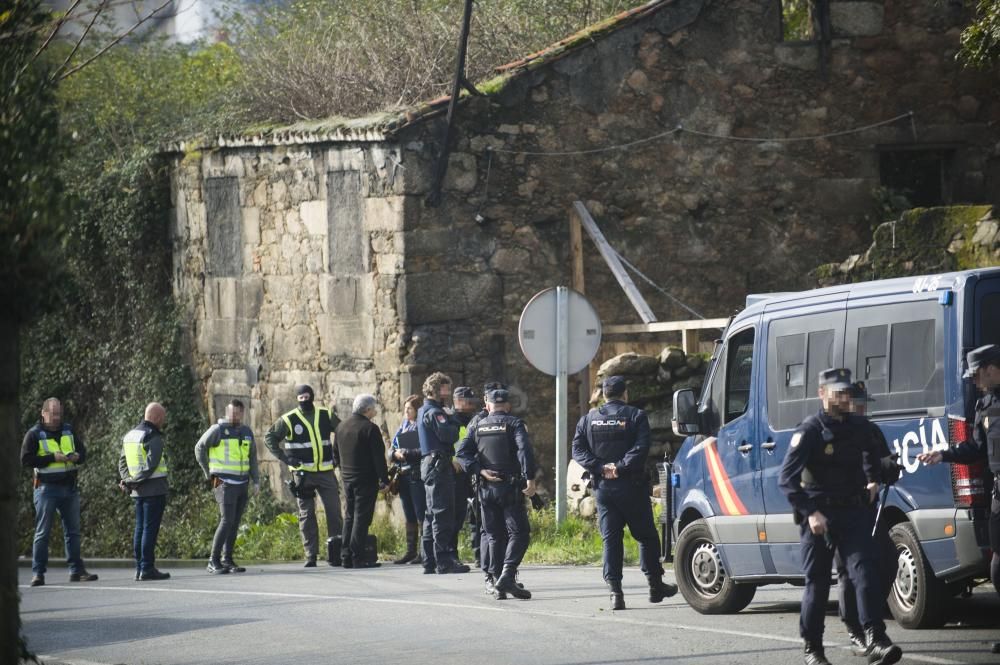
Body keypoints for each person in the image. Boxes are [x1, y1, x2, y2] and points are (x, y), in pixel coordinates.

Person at [779, 368, 902, 665]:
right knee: (818, 584)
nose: (844, 397)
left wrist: (874, 479)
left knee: (865, 572)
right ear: (822, 393)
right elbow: (787, 479)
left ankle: (876, 638)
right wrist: (811, 513)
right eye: (838, 392)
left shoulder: (859, 427)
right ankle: (813, 649)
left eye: (846, 392)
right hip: (819, 516)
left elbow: (873, 454)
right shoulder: (809, 430)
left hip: (854, 511)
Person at [918, 344, 1000, 655]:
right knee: (997, 569)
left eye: (977, 375)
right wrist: (944, 454)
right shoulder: (985, 405)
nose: (975, 382)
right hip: (999, 495)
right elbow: (977, 447)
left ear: (992, 368)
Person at [571, 375, 676, 610]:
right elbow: (641, 448)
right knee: (647, 537)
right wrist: (619, 467)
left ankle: (615, 593)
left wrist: (600, 467)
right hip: (632, 486)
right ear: (625, 394)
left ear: (604, 395)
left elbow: (577, 450)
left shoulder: (588, 419)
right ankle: (655, 586)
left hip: (604, 489)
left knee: (611, 539)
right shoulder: (635, 416)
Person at [837, 382, 900, 653]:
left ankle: (870, 615)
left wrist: (891, 467)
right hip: (841, 513)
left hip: (869, 511)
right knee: (853, 573)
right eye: (858, 404)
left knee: (888, 562)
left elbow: (884, 464)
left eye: (865, 404)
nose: (863, 409)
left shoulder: (871, 431)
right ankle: (859, 629)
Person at [457, 388, 536, 600]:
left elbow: (462, 453)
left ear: (488, 405)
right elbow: (524, 450)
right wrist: (530, 478)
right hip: (509, 488)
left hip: (485, 489)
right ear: (507, 406)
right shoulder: (514, 423)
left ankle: (496, 581)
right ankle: (507, 576)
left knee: (493, 536)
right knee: (519, 533)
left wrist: (479, 470)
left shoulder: (477, 425)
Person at [21, 398, 98, 587]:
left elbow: (83, 452)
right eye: (52, 414)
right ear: (43, 413)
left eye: (58, 414)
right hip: (46, 489)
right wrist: (52, 457)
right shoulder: (34, 434)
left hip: (69, 488)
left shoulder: (68, 430)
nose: (56, 417)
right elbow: (26, 459)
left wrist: (77, 456)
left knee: (73, 533)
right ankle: (38, 573)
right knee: (42, 533)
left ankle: (76, 571)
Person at [264, 384, 343, 567]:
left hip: (325, 471)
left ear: (312, 397)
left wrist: (337, 457)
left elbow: (342, 432)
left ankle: (336, 552)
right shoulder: (289, 419)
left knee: (334, 512)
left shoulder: (325, 414)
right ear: (297, 399)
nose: (304, 402)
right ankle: (311, 555)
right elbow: (269, 438)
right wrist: (285, 458)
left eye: (307, 398)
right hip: (302, 474)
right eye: (301, 399)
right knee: (306, 515)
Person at [195, 398, 259, 574]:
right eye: (232, 412)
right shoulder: (218, 430)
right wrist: (209, 473)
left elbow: (252, 457)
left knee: (235, 522)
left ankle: (227, 559)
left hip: (241, 482)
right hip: (222, 481)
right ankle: (212, 560)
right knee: (226, 520)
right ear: (226, 412)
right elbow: (199, 448)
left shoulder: (246, 432)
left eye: (238, 412)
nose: (235, 415)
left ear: (242, 413)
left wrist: (256, 481)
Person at [417, 371, 469, 574]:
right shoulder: (436, 412)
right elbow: (448, 435)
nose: (448, 392)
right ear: (437, 389)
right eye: (446, 388)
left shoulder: (424, 410)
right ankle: (444, 560)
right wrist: (452, 419)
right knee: (442, 513)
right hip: (438, 464)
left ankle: (429, 560)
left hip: (430, 463)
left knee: (431, 514)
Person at [334, 394, 390, 568]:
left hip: (347, 479)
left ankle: (345, 556)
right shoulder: (370, 429)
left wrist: (344, 472)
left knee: (349, 516)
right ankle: (358, 557)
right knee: (361, 518)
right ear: (367, 410)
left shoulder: (341, 427)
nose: (375, 411)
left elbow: (335, 453)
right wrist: (384, 479)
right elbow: (378, 458)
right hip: (365, 480)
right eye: (374, 408)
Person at [119, 402, 171, 581]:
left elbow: (122, 463)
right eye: (162, 418)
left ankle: (140, 568)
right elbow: (152, 464)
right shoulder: (152, 435)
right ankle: (147, 568)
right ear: (156, 417)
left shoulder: (130, 435)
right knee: (149, 530)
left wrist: (128, 481)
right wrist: (133, 481)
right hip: (154, 489)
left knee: (140, 529)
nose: (163, 422)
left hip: (137, 491)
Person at [389, 394, 426, 564]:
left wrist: (409, 453)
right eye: (405, 409)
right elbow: (391, 449)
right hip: (403, 474)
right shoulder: (403, 426)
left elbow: (424, 450)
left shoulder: (422, 426)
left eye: (409, 409)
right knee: (409, 514)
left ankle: (423, 552)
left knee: (420, 514)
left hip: (416, 475)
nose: (406, 412)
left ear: (417, 410)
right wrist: (394, 454)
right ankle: (410, 551)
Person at [450, 386, 478, 557]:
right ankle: (452, 554)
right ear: (458, 401)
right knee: (455, 516)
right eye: (468, 402)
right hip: (456, 473)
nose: (472, 405)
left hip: (473, 471)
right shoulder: (449, 420)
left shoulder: (474, 420)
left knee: (477, 514)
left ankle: (479, 554)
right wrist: (453, 460)